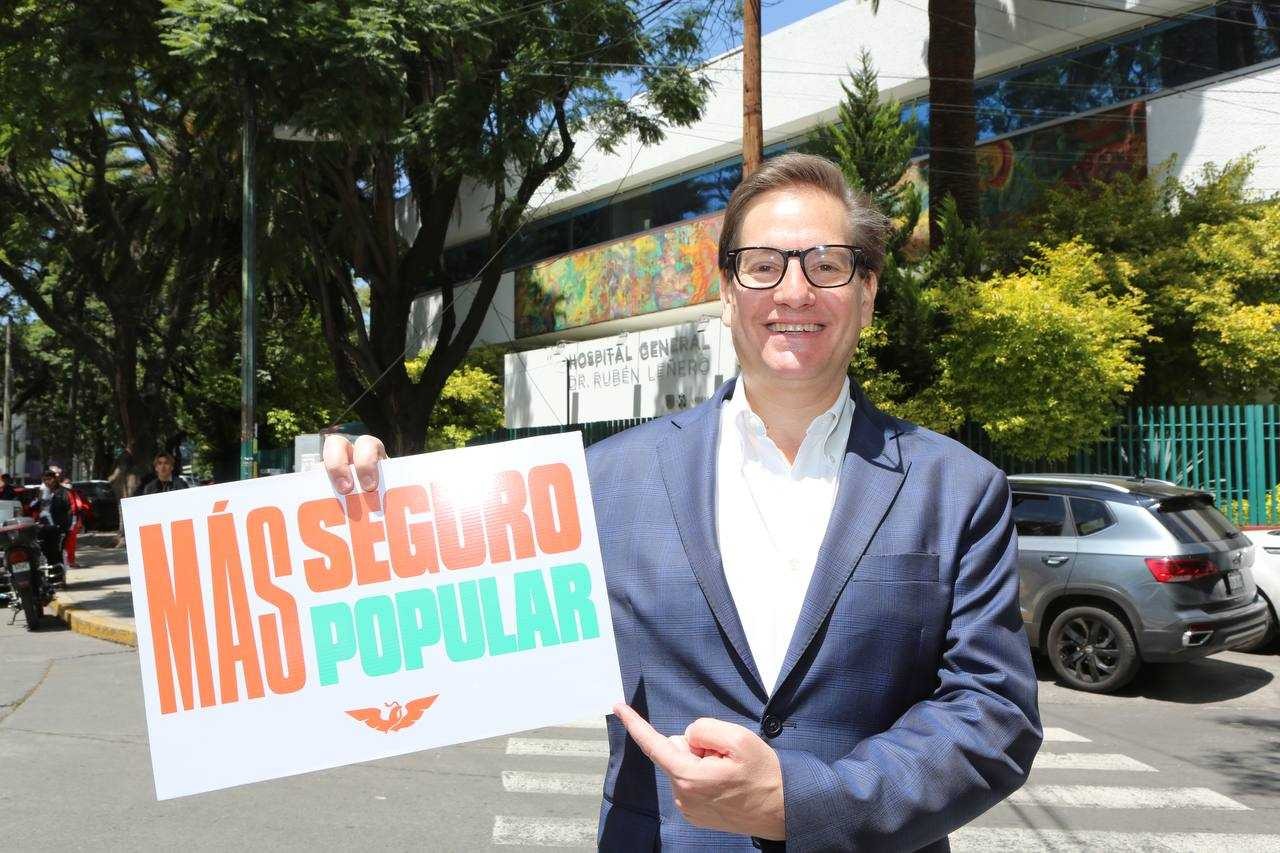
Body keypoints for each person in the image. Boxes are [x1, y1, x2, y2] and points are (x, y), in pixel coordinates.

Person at [322, 153, 1041, 850]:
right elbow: (453, 624)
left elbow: (994, 714)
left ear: (868, 290)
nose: (794, 292)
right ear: (727, 291)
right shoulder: (603, 480)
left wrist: (800, 801)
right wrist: (375, 514)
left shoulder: (957, 488)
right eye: (763, 264)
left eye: (827, 264)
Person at [30, 468, 72, 580]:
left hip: (58, 528)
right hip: (44, 527)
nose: (47, 482)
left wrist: (65, 527)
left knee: (57, 552)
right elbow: (32, 507)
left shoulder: (63, 492)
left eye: (49, 479)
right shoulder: (43, 493)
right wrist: (38, 498)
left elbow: (69, 510)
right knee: (46, 552)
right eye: (44, 480)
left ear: (55, 479)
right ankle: (51, 577)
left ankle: (59, 577)